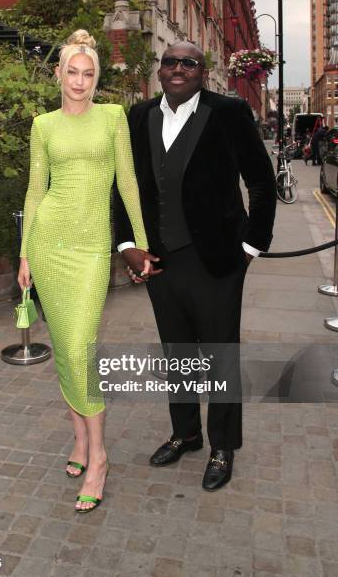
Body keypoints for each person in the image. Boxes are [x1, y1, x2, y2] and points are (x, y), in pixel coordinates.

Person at [114, 42, 277, 491]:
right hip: (160, 262)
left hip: (217, 261)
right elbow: (123, 187)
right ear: (160, 70)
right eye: (170, 62)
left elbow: (261, 182)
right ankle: (186, 433)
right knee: (177, 353)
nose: (178, 68)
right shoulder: (138, 116)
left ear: (203, 72)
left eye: (189, 62)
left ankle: (223, 446)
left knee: (221, 357)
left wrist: (251, 248)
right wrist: (127, 244)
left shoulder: (228, 112)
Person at [18, 30, 148, 512]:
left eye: (88, 73)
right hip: (49, 244)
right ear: (58, 74)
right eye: (71, 71)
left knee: (79, 347)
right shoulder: (43, 125)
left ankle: (99, 458)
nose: (79, 81)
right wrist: (25, 255)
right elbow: (35, 191)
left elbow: (129, 183)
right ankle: (79, 443)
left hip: (93, 249)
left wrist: (142, 244)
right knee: (67, 350)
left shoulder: (113, 118)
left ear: (98, 78)